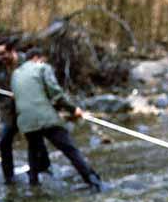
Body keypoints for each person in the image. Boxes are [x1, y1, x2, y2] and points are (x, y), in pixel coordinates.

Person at [10, 48, 102, 191]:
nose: (44, 62)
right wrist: (73, 109)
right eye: (43, 60)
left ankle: (33, 185)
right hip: (45, 118)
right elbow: (55, 92)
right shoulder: (42, 68)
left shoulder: (15, 74)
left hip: (25, 121)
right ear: (36, 58)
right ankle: (93, 180)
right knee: (69, 149)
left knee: (33, 151)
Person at [0, 37, 49, 184]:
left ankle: (42, 167)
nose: (1, 57)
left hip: (27, 108)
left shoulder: (27, 61)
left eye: (4, 53)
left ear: (12, 51)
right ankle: (9, 177)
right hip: (8, 111)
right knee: (4, 142)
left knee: (35, 138)